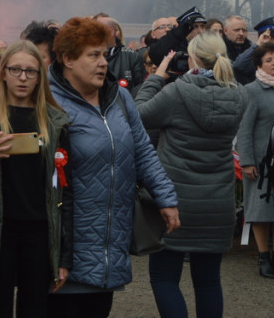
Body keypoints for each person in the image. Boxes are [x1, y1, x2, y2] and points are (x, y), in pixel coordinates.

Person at [46, 17, 179, 318]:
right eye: (93, 55)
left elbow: (142, 150)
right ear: (67, 59)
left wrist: (165, 197)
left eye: (104, 54)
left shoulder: (118, 99)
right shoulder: (48, 102)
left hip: (110, 242)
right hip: (66, 243)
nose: (103, 63)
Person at [135, 33, 246, 318]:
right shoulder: (238, 94)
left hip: (176, 202)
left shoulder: (177, 93)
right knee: (208, 281)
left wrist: (157, 77)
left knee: (164, 278)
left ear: (192, 58)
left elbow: (136, 116)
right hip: (217, 203)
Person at [0, 40, 73, 317]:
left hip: (39, 231)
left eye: (31, 71)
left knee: (34, 310)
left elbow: (65, 190)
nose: (23, 78)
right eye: (15, 70)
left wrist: (64, 255)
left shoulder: (56, 121)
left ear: (40, 77)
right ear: (2, 73)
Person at [236, 42, 274, 280]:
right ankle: (264, 257)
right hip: (260, 163)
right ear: (259, 65)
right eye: (269, 60)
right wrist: (247, 161)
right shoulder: (251, 90)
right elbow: (244, 129)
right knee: (260, 211)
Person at [96, 15, 146, 91]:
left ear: (111, 31)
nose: (92, 33)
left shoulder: (132, 56)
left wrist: (124, 99)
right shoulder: (88, 56)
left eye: (96, 30)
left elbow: (139, 86)